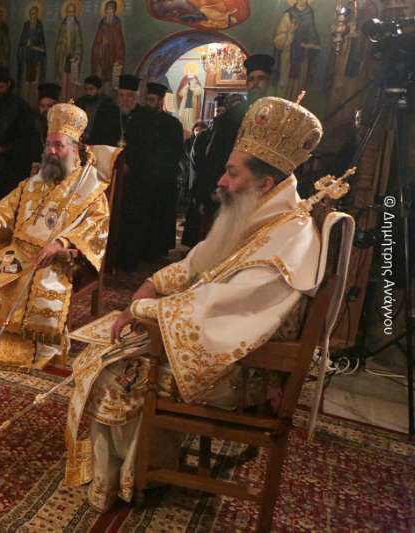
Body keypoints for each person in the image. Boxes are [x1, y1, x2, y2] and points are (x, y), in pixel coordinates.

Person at [65, 96, 331, 512]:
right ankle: (141, 463)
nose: (221, 181)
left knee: (116, 372)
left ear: (264, 184)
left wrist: (143, 312)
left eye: (232, 173)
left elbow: (223, 305)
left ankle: (130, 478)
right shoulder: (267, 214)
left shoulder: (289, 238)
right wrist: (153, 283)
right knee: (110, 352)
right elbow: (201, 260)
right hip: (227, 348)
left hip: (245, 369)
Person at [0, 103, 117, 371]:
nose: (51, 151)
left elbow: (95, 226)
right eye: (48, 144)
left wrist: (60, 244)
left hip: (55, 258)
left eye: (59, 145)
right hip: (17, 252)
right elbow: (7, 207)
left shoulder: (90, 189)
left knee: (40, 290)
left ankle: (40, 348)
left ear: (75, 149)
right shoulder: (35, 182)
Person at [186, 54, 275, 248]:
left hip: (265, 190)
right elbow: (214, 156)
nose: (255, 84)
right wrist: (209, 191)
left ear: (269, 82)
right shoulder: (231, 117)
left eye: (261, 79)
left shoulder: (279, 115)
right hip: (234, 189)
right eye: (251, 79)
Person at [109, 79, 185, 270]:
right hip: (131, 177)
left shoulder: (171, 123)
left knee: (150, 219)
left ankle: (148, 253)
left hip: (155, 178)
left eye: (153, 100)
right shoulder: (122, 115)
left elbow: (167, 151)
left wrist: (145, 167)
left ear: (160, 101)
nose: (149, 103)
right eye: (121, 95)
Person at [0, 68, 38, 203]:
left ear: (8, 84)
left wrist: (4, 148)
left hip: (12, 163)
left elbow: (27, 138)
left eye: (1, 87)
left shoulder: (20, 106)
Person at [75, 75, 120, 146]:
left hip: (100, 143)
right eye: (86, 89)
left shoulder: (108, 105)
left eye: (91, 89)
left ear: (99, 90)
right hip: (81, 142)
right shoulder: (80, 102)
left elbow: (110, 129)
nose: (88, 92)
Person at [91, 1, 126, 89]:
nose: (109, 11)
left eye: (111, 9)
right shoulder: (102, 24)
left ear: (114, 11)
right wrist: (100, 46)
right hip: (103, 56)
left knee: (112, 83)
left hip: (113, 56)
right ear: (105, 10)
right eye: (108, 9)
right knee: (101, 82)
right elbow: (97, 41)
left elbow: (119, 43)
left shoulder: (117, 24)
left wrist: (119, 59)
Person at [54, 2, 83, 101]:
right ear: (66, 13)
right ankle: (62, 102)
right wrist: (62, 46)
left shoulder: (76, 26)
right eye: (69, 12)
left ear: (75, 13)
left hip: (72, 59)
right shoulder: (63, 26)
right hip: (63, 58)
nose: (70, 14)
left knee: (72, 84)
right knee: (63, 82)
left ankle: (71, 104)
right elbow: (59, 42)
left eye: (72, 12)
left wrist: (76, 55)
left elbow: (79, 42)